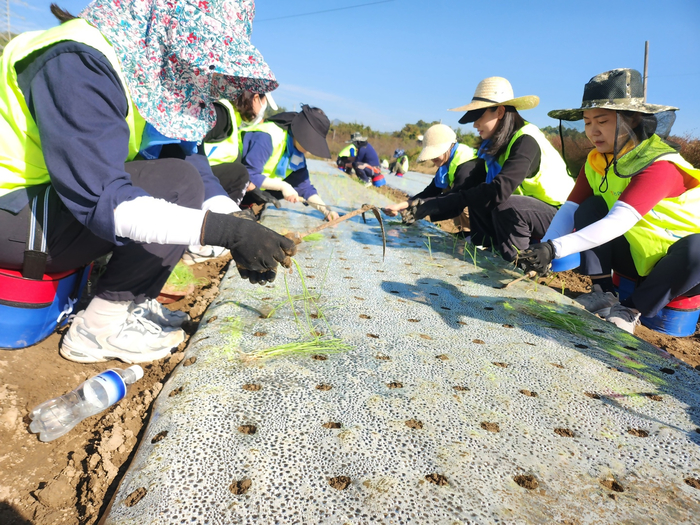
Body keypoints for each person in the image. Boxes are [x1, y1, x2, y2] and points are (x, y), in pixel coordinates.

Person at [0, 1, 297, 363]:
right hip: (15, 214)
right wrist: (224, 233)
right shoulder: (78, 60)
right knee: (175, 183)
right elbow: (107, 201)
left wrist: (236, 223)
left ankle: (131, 305)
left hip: (51, 208)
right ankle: (99, 329)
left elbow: (190, 159)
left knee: (180, 176)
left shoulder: (142, 69)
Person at [519, 68, 700, 334]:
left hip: (675, 268)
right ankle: (603, 292)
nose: (593, 131)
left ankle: (631, 309)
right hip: (634, 256)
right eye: (587, 122)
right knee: (590, 207)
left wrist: (555, 249)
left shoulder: (660, 165)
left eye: (602, 121)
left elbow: (618, 222)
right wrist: (545, 249)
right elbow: (570, 210)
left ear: (634, 120)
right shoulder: (596, 162)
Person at [402, 77, 574, 261]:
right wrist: (426, 206)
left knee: (503, 202)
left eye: (479, 117)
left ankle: (520, 263)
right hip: (531, 211)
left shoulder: (526, 141)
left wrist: (436, 204)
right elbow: (466, 192)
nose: (475, 124)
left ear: (500, 112)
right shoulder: (495, 149)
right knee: (479, 193)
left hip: (560, 216)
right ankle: (488, 252)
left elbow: (499, 191)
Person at [184, 91, 281, 264]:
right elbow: (187, 149)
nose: (262, 110)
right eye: (264, 102)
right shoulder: (221, 114)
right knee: (239, 173)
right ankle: (202, 243)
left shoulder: (234, 119)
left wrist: (249, 186)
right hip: (192, 179)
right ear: (256, 97)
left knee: (240, 174)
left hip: (202, 178)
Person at [239, 105, 340, 221]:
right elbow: (248, 175)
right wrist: (283, 186)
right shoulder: (267, 137)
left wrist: (326, 210)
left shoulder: (297, 153)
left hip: (250, 189)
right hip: (227, 182)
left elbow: (304, 187)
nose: (309, 149)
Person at [384, 124, 477, 234]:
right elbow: (431, 191)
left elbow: (456, 200)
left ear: (449, 147)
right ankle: (466, 234)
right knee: (446, 190)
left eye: (435, 154)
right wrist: (403, 205)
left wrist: (422, 208)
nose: (433, 159)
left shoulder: (467, 165)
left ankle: (474, 236)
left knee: (455, 198)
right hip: (461, 201)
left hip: (481, 210)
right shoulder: (446, 164)